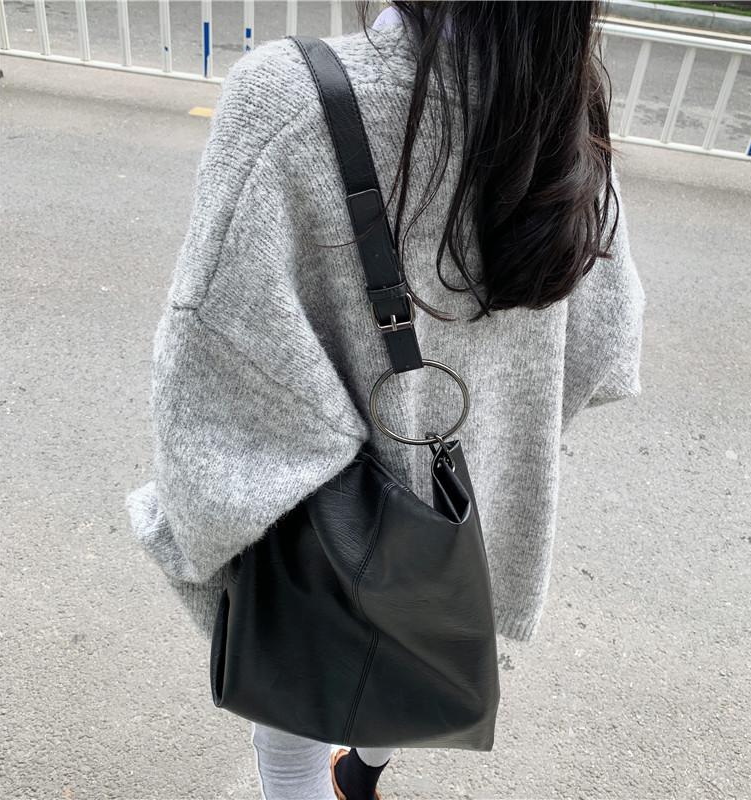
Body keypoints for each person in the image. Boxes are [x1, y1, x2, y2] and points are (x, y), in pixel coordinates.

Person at [125, 1, 646, 798]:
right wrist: (499, 412)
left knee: (303, 688)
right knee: (412, 653)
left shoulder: (291, 98)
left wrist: (199, 530)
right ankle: (362, 775)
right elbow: (608, 344)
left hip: (321, 527)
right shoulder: (565, 110)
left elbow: (212, 364)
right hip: (464, 508)